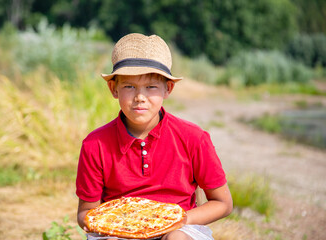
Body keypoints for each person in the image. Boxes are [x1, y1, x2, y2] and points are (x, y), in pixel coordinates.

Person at [76, 33, 233, 240]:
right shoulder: (95, 144)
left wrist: (176, 220)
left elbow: (223, 203)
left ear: (168, 88)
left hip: (179, 227)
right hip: (117, 229)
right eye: (129, 86)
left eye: (151, 87)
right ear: (114, 89)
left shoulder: (193, 138)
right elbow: (85, 213)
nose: (139, 97)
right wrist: (119, 226)